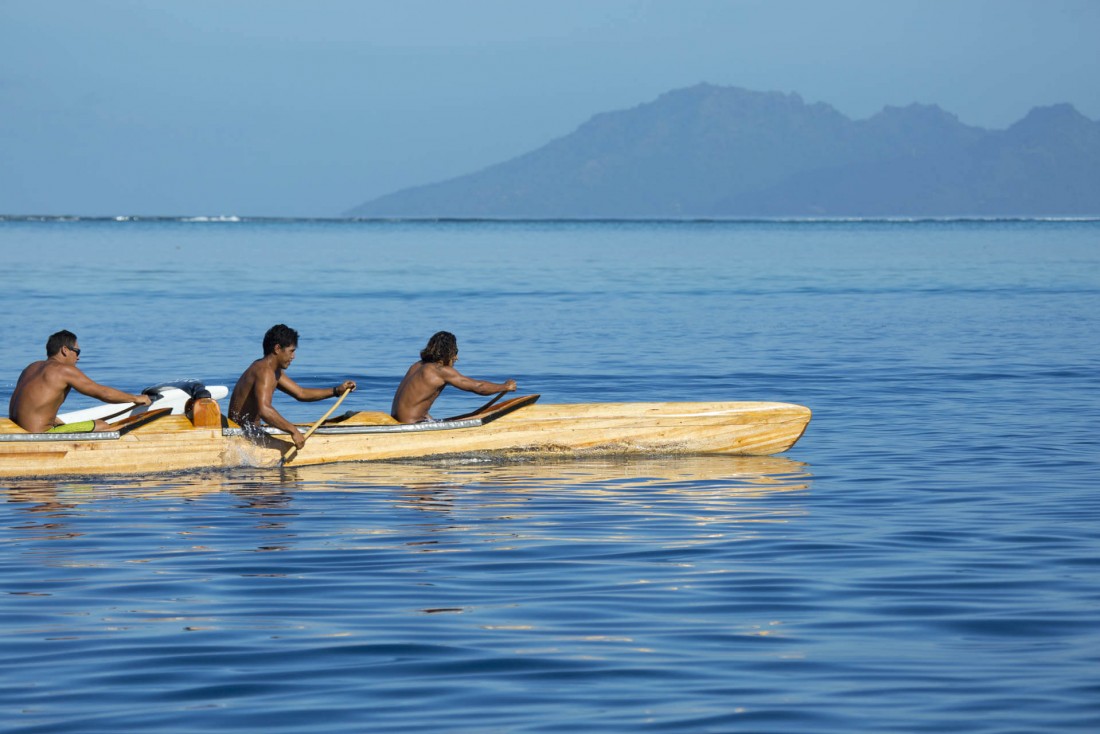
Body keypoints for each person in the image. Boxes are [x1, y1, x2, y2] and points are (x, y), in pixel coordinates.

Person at [229, 324, 356, 449]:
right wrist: (293, 431)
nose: (293, 356)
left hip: (251, 433)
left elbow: (301, 393)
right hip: (241, 437)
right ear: (277, 349)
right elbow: (265, 410)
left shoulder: (272, 370)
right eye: (291, 351)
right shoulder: (264, 372)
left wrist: (337, 390)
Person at [8, 330, 153, 433]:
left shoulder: (31, 368)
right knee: (101, 425)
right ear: (65, 350)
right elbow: (102, 393)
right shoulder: (63, 370)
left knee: (62, 422)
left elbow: (33, 404)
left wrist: (53, 419)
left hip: (17, 429)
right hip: (38, 434)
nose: (78, 358)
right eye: (77, 352)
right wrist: (135, 398)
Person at [391, 331, 516, 424]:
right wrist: (505, 386)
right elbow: (479, 387)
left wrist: (432, 421)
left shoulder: (416, 366)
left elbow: (414, 403)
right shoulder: (440, 371)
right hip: (411, 426)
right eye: (455, 352)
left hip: (397, 422)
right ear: (448, 352)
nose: (456, 358)